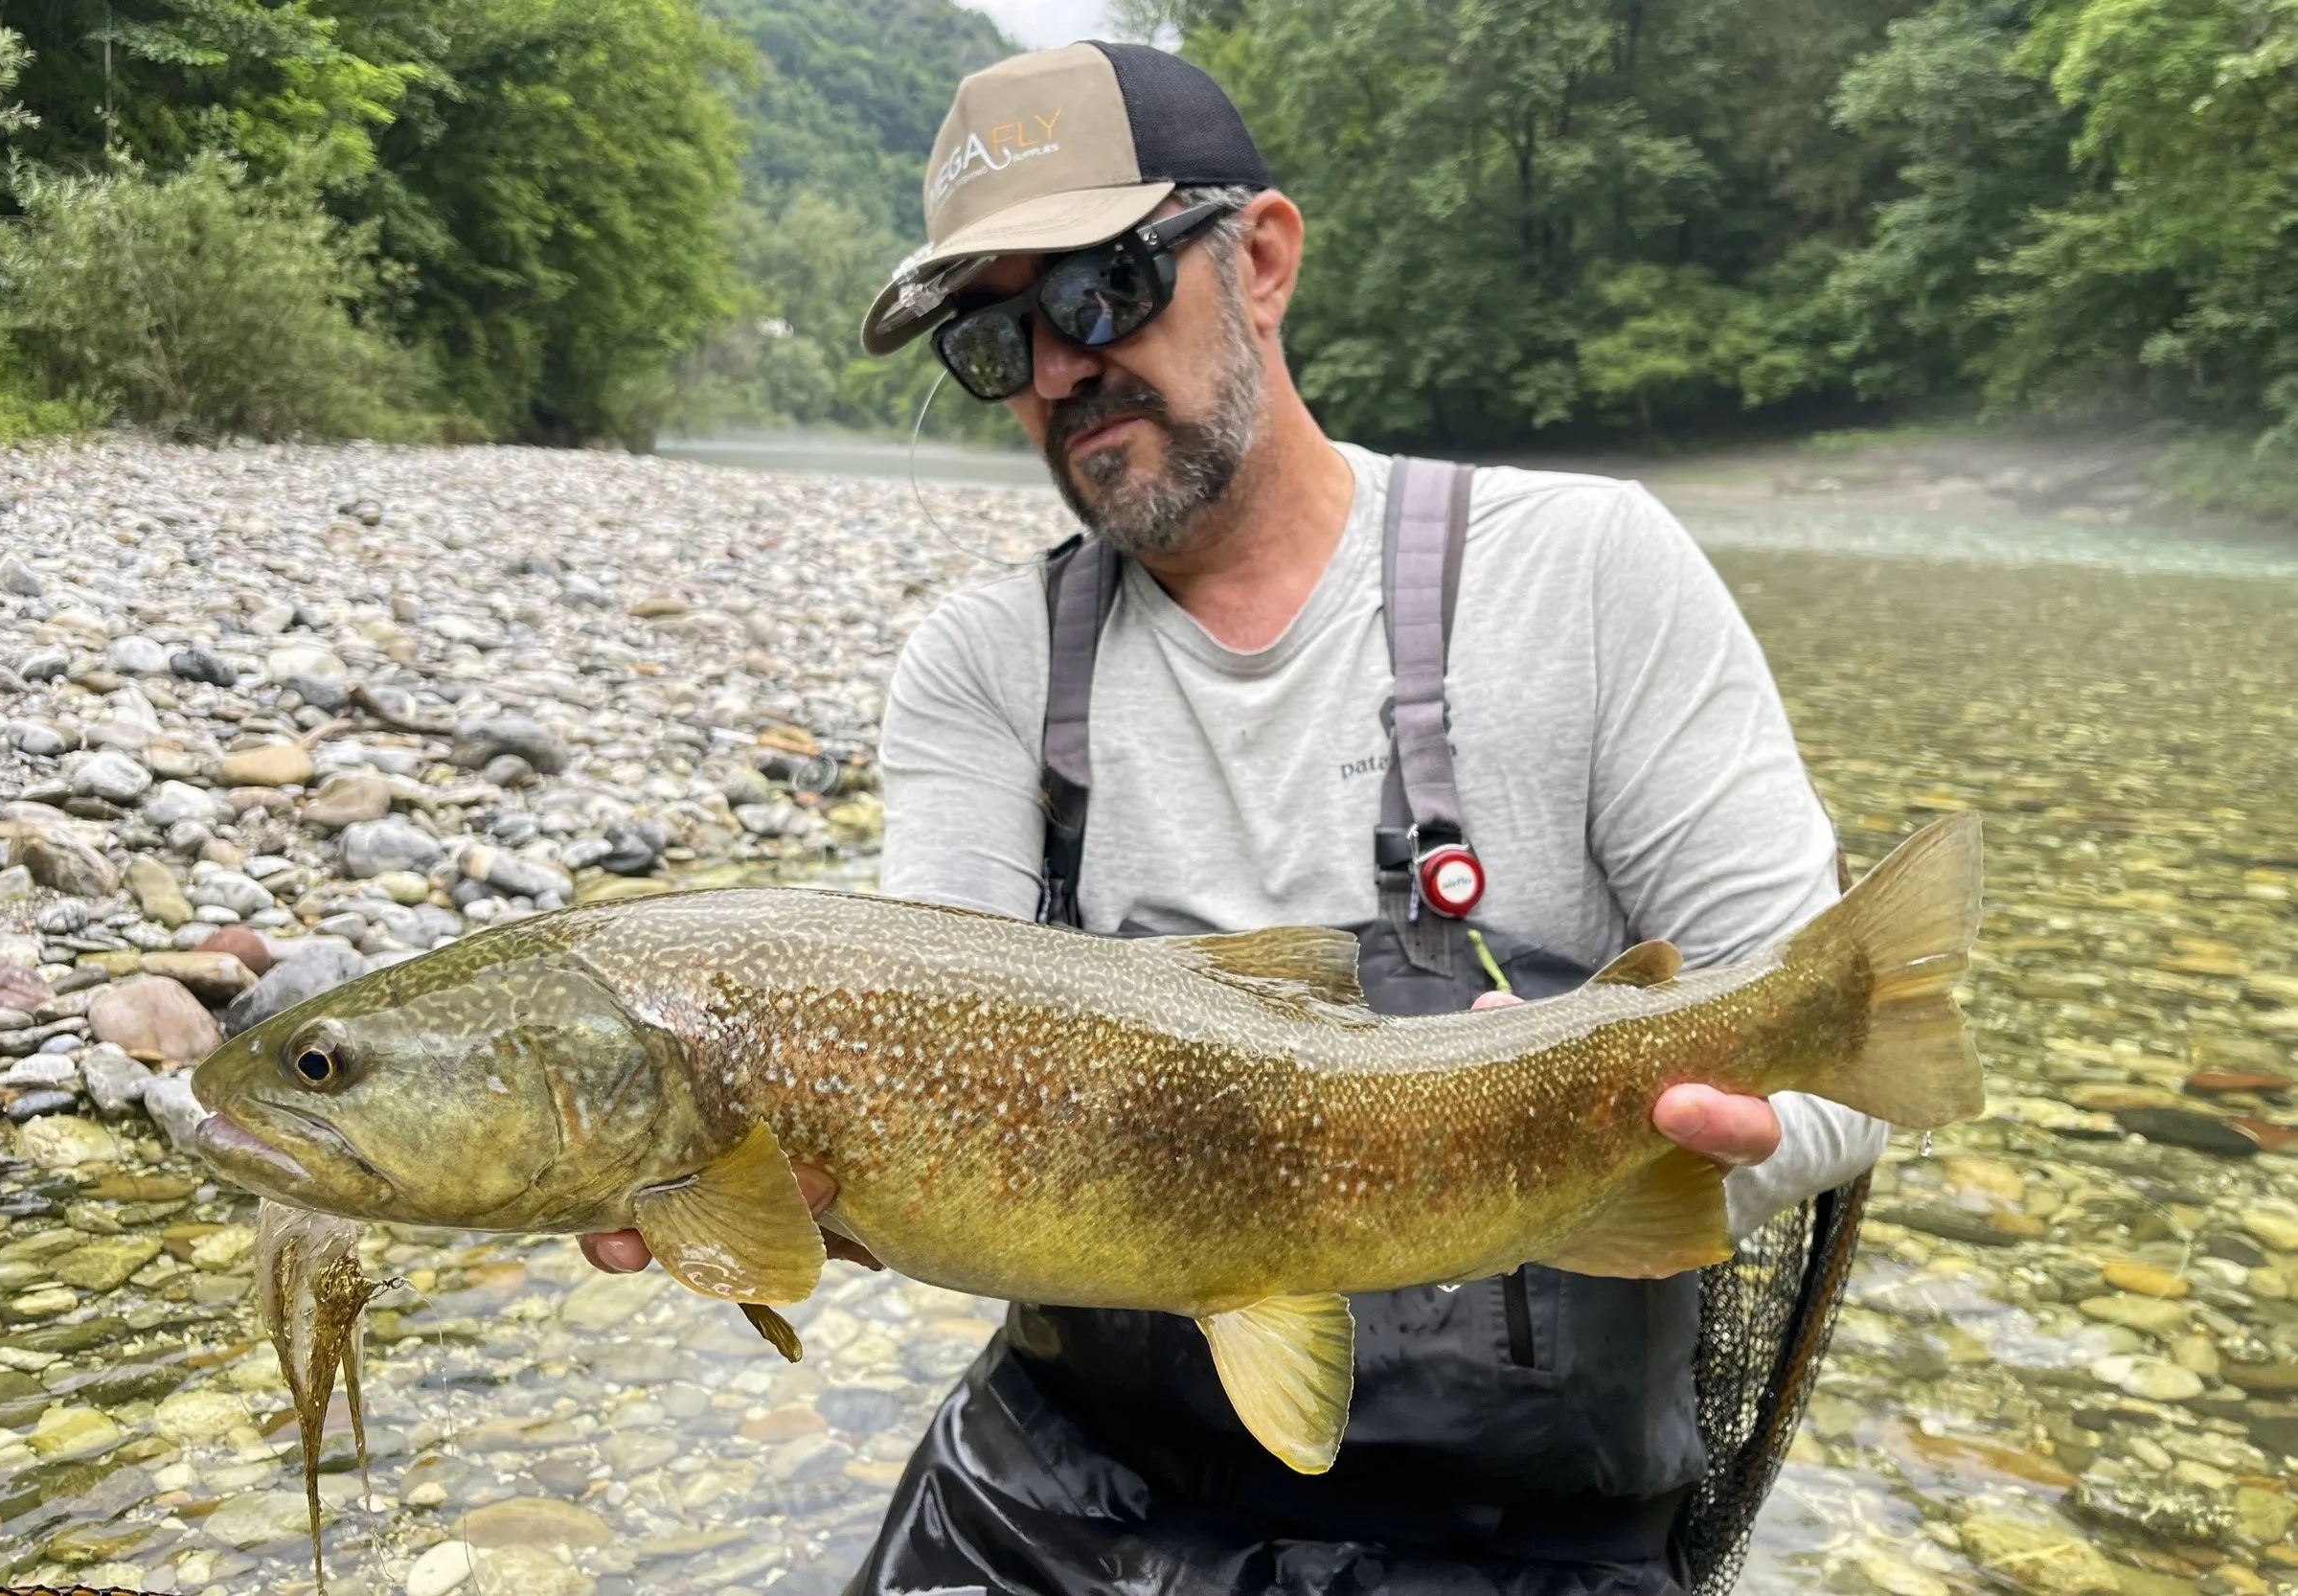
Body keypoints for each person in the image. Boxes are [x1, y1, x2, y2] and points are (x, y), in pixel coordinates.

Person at [582, 40, 1886, 1596]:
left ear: (1259, 258)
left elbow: (1841, 1041)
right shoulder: (982, 668)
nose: (1058, 369)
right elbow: (919, 1082)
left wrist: (1661, 1158)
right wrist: (807, 1204)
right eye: (998, 340)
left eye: (1097, 292)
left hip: (1529, 1522)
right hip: (1077, 1482)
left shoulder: (1590, 576)